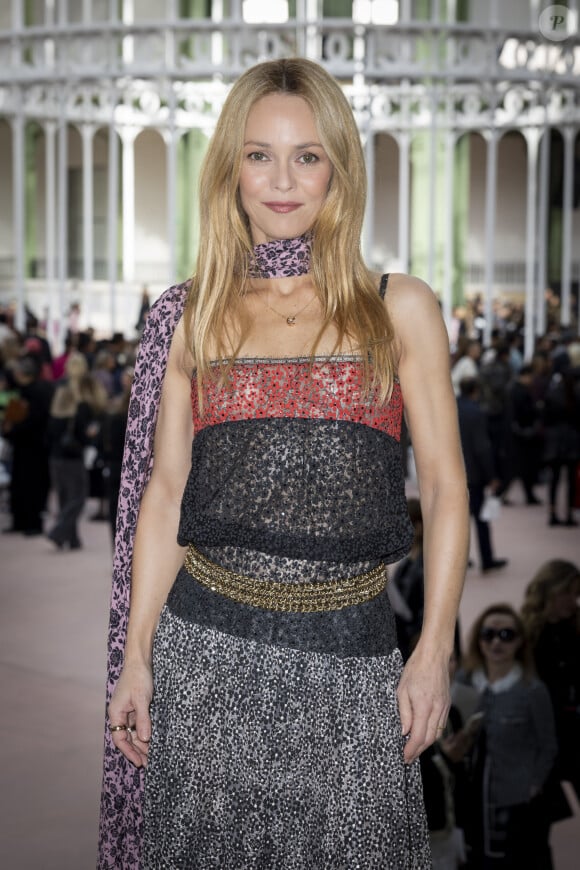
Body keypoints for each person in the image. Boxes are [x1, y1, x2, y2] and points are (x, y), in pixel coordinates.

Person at [98, 57, 469, 869]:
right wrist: (136, 655)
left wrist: (436, 648)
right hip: (204, 659)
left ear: (340, 165)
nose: (282, 180)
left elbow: (444, 490)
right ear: (230, 166)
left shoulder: (398, 306)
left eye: (307, 155)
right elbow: (164, 496)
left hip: (354, 662)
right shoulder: (192, 315)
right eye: (259, 154)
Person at [459, 604, 558, 870]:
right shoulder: (464, 683)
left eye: (506, 635)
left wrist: (533, 784)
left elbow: (548, 744)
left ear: (520, 642)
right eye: (488, 634)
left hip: (516, 803)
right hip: (471, 802)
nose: (495, 642)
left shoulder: (532, 691)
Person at [521, 559, 580, 802]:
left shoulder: (574, 626)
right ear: (551, 589)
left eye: (577, 594)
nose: (574, 601)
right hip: (544, 734)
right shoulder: (526, 634)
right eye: (569, 593)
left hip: (573, 729)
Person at [456, 377, 507, 573]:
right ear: (475, 390)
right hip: (474, 474)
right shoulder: (475, 412)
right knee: (481, 519)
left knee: (459, 518)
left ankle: (460, 559)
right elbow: (482, 447)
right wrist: (492, 474)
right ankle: (487, 558)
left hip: (457, 470)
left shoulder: (454, 407)